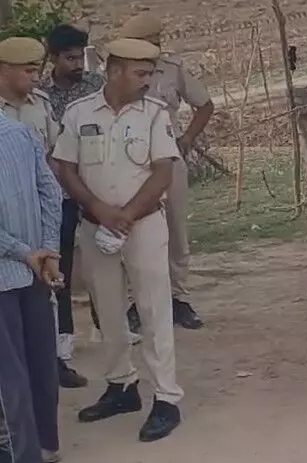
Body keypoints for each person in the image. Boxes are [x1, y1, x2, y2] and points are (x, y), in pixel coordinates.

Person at [53, 38, 184, 442]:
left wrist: (125, 215)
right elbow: (64, 166)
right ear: (113, 71)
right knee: (107, 310)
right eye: (140, 73)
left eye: (150, 73)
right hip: (96, 227)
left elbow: (163, 171)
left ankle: (166, 398)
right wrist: (97, 208)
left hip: (142, 225)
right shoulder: (78, 113)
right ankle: (121, 386)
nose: (147, 81)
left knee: (153, 309)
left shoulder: (153, 114)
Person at [119, 12, 214, 330]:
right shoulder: (118, 72)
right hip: (129, 162)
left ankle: (178, 299)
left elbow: (205, 104)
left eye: (155, 42)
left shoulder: (172, 70)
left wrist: (187, 138)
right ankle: (136, 302)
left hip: (169, 158)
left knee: (175, 230)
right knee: (130, 230)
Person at [40, 23, 106, 389]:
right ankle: (63, 346)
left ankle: (110, 327)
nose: (77, 63)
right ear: (53, 58)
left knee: (107, 260)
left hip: (96, 189)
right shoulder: (41, 96)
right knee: (60, 269)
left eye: (80, 56)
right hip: (60, 195)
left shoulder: (96, 87)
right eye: (69, 58)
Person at [0, 111, 63, 463]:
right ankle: (47, 446)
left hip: (12, 269)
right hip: (37, 270)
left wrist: (26, 253)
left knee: (10, 374)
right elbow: (51, 194)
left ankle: (24, 455)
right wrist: (47, 253)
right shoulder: (22, 133)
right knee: (41, 362)